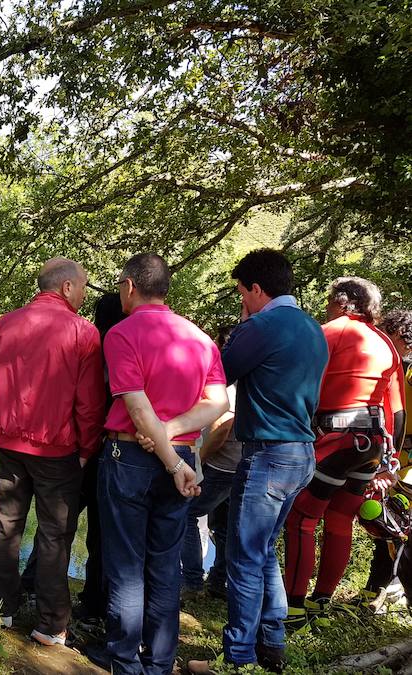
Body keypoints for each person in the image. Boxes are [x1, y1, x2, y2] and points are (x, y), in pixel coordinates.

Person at [83, 253, 229, 675]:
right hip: (181, 456)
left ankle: (125, 660)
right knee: (164, 563)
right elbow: (217, 402)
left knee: (126, 564)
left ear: (129, 286)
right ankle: (160, 661)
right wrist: (176, 444)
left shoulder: (122, 334)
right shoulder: (201, 338)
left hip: (130, 457)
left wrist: (165, 452)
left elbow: (138, 408)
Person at [188, 249, 328, 675]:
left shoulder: (262, 326)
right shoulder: (312, 328)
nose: (241, 303)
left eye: (242, 294)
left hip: (268, 455)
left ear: (256, 288)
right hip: (302, 453)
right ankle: (273, 643)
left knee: (245, 557)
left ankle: (239, 658)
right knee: (265, 552)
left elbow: (216, 377)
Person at [0, 257, 107, 647]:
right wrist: (87, 449)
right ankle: (50, 625)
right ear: (67, 287)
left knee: (7, 525)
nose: (86, 293)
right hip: (56, 449)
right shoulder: (82, 332)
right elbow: (89, 402)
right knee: (55, 535)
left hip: (9, 443)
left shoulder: (4, 324)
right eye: (84, 286)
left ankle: (1, 609)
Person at [282, 278, 405, 630]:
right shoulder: (385, 343)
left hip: (335, 440)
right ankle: (321, 601)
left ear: (340, 302)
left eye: (328, 300)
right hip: (372, 445)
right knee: (339, 521)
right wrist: (389, 463)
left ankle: (293, 609)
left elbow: (302, 389)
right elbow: (396, 411)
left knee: (302, 520)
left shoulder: (327, 332)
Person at [20, 292, 127, 623]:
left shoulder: (93, 346)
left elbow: (79, 401)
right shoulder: (123, 348)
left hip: (80, 450)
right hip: (114, 450)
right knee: (102, 532)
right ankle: (95, 602)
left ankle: (30, 584)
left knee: (56, 523)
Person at [181, 325, 239, 600]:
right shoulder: (247, 378)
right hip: (238, 464)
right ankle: (218, 582)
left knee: (187, 514)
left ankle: (192, 580)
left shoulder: (228, 381)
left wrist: (199, 460)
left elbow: (222, 426)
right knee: (225, 525)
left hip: (220, 464)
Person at [360, 308, 412, 611]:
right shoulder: (394, 368)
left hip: (401, 465)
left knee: (396, 529)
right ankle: (375, 590)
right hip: (396, 460)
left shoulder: (400, 369)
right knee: (387, 526)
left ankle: (384, 590)